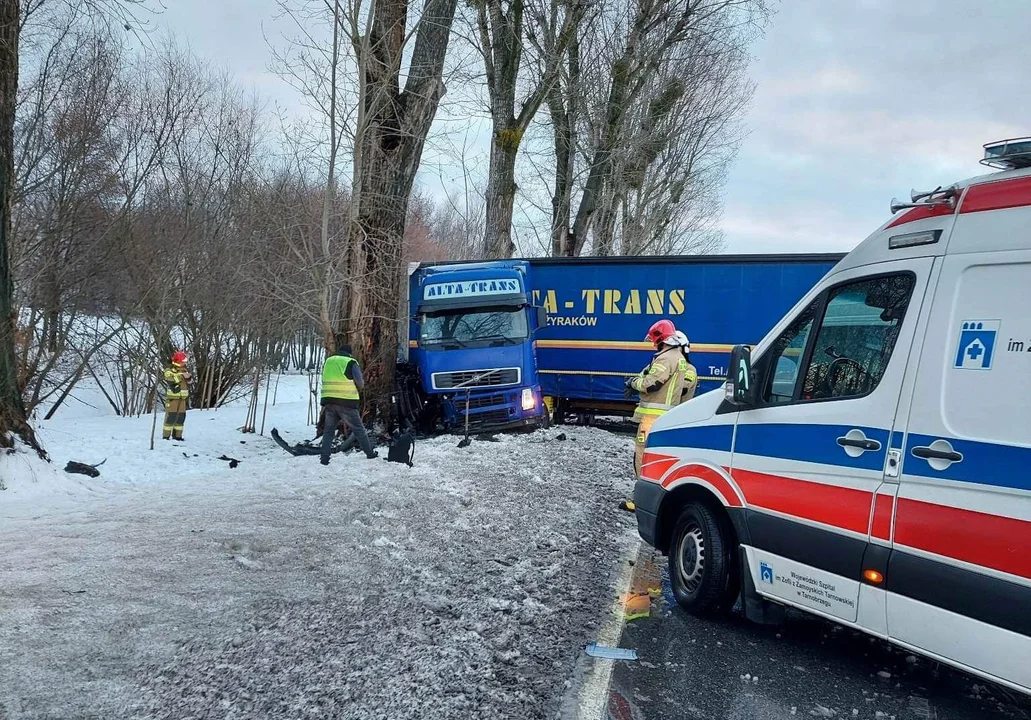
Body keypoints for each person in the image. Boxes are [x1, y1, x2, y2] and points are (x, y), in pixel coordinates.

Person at [625, 319, 690, 477]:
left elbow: (651, 384)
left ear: (661, 340)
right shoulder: (679, 357)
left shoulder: (665, 358)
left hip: (652, 418)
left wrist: (633, 383)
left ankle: (642, 490)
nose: (654, 345)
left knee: (643, 453)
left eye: (654, 341)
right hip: (667, 415)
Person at [320, 343, 378, 466]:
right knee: (359, 429)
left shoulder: (328, 361)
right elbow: (360, 383)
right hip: (346, 401)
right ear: (349, 353)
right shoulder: (350, 362)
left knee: (329, 431)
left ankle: (324, 458)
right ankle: (370, 453)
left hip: (329, 400)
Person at [162, 351, 191, 441]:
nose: (184, 363)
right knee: (171, 417)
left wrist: (188, 378)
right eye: (183, 361)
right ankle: (166, 436)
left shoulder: (185, 370)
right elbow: (169, 378)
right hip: (172, 399)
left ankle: (178, 436)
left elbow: (189, 382)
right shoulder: (169, 370)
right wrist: (181, 376)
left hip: (182, 399)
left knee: (181, 418)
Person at [673, 330, 699, 404]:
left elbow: (683, 390)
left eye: (675, 348)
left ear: (684, 349)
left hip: (679, 413)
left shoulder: (690, 369)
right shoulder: (663, 365)